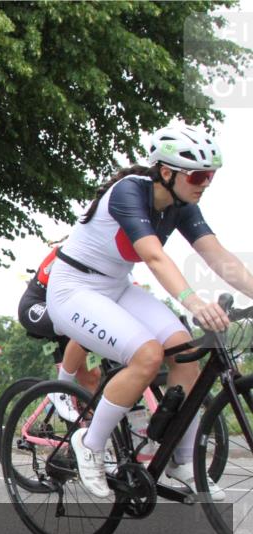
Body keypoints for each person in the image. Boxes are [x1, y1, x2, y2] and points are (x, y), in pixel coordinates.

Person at [46, 124, 253, 500]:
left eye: (211, 175)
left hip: (116, 287)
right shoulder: (129, 192)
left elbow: (218, 256)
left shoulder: (182, 205)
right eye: (198, 176)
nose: (206, 183)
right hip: (73, 289)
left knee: (185, 351)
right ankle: (89, 443)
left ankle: (182, 459)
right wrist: (194, 302)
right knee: (147, 354)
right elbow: (154, 257)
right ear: (167, 172)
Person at [17, 243, 102, 420]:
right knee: (80, 327)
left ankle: (87, 427)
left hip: (67, 310)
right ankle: (61, 390)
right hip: (37, 305)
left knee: (92, 376)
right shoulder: (70, 250)